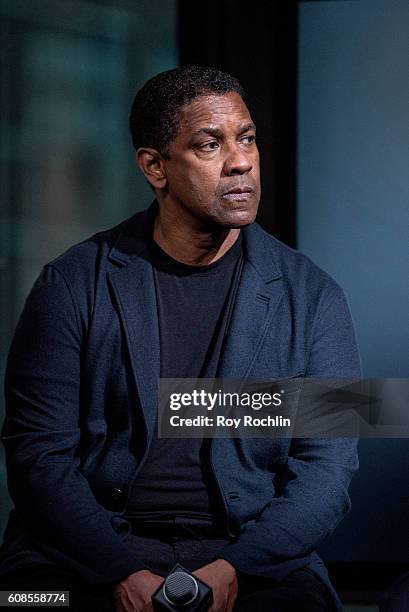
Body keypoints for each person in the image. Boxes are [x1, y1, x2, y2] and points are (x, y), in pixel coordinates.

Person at [0, 66, 361, 611]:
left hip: (246, 550)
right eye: (210, 144)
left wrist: (238, 566)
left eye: (247, 138)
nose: (241, 161)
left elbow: (328, 471)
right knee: (27, 603)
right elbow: (37, 455)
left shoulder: (313, 296)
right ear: (155, 166)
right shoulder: (72, 285)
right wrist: (117, 570)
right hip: (82, 555)